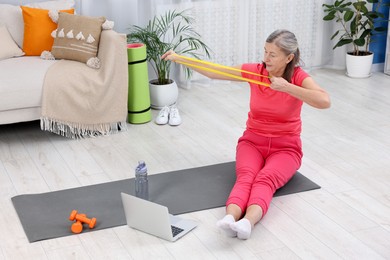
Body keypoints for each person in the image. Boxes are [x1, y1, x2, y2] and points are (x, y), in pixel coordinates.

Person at [162, 29, 330, 240]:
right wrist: (179, 58)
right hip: (253, 142)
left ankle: (247, 223)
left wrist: (288, 88)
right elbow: (215, 71)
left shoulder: (298, 77)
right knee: (246, 177)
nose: (265, 58)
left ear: (289, 58)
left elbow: (324, 101)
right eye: (265, 51)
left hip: (286, 148)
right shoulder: (256, 71)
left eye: (272, 54)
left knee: (265, 179)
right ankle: (230, 219)